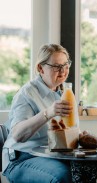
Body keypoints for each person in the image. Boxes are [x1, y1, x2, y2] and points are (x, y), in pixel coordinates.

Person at [3, 44, 74, 182]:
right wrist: (48, 112)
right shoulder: (26, 93)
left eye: (66, 65)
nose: (63, 71)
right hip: (21, 158)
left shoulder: (61, 94)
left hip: (50, 157)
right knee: (64, 176)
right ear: (40, 68)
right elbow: (18, 135)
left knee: (95, 171)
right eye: (56, 66)